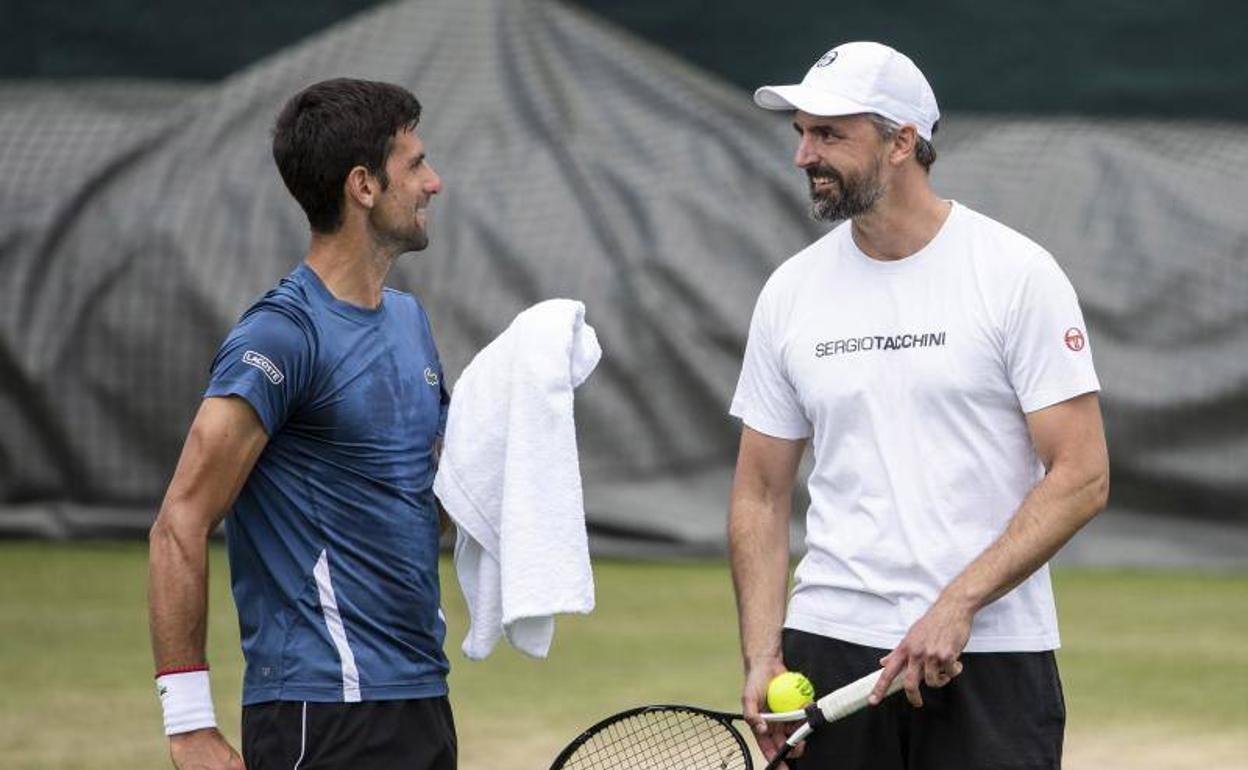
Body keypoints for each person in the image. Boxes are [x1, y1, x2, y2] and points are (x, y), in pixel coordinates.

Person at [728, 41, 1109, 769]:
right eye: (801, 132)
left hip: (989, 656)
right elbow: (760, 489)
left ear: (903, 142)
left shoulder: (1017, 275)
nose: (803, 155)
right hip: (829, 650)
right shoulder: (789, 291)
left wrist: (959, 603)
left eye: (829, 134)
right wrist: (760, 654)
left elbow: (1083, 475)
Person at [148, 78, 455, 770]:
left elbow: (416, 508)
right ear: (363, 187)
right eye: (416, 164)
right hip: (320, 716)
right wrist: (191, 725)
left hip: (422, 701)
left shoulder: (411, 323)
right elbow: (180, 520)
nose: (434, 183)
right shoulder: (282, 337)